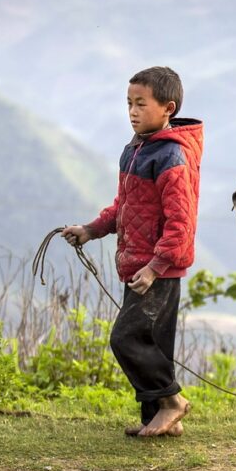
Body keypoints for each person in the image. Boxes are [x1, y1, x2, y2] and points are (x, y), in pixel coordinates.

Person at [62, 66, 203, 437]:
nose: (133, 111)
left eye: (141, 103)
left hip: (157, 269)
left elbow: (181, 221)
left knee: (125, 337)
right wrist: (91, 230)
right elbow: (123, 207)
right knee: (153, 342)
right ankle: (157, 417)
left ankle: (172, 403)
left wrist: (156, 267)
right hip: (138, 265)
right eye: (129, 103)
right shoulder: (136, 150)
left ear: (167, 108)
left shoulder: (171, 156)